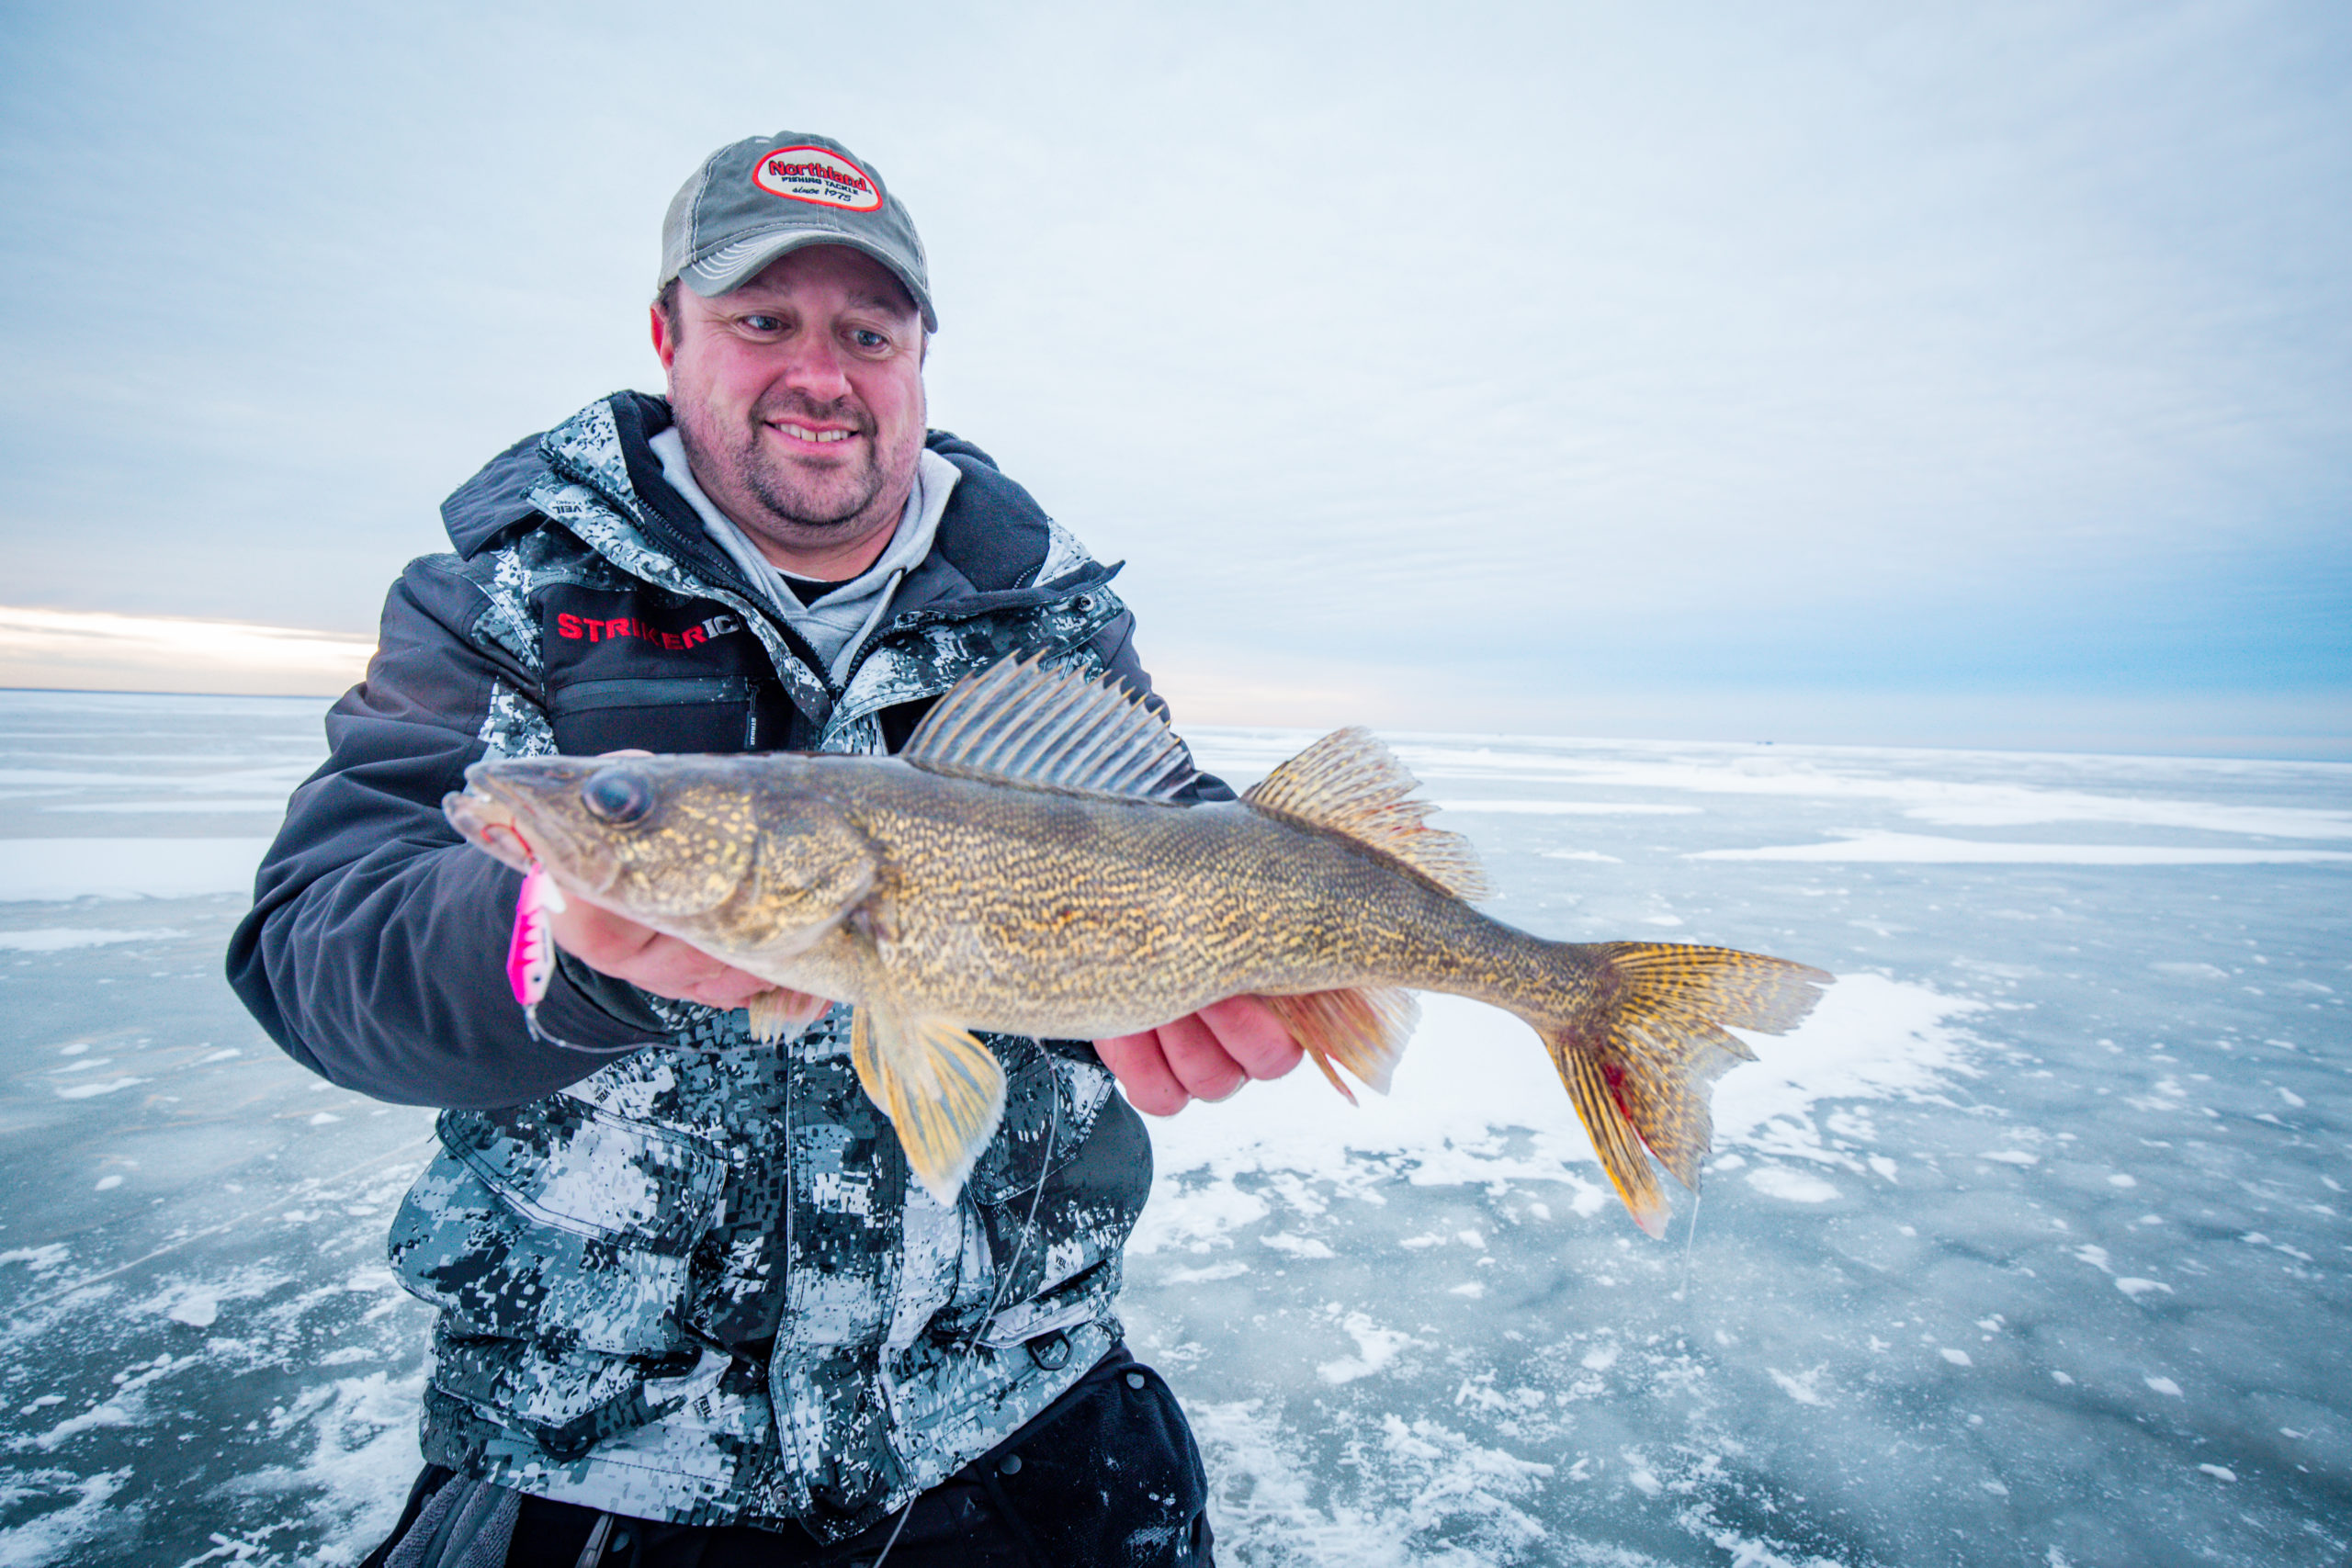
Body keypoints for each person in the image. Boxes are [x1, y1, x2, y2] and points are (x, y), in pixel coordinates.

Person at [227, 130, 1302, 1567]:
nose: (822, 370)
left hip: (1022, 1416)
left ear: (920, 359)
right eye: (761, 320)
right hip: (602, 1451)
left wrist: (1167, 998)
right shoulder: (506, 596)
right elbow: (318, 947)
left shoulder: (1045, 613)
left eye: (869, 330)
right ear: (669, 335)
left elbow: (1159, 839)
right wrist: (569, 959)